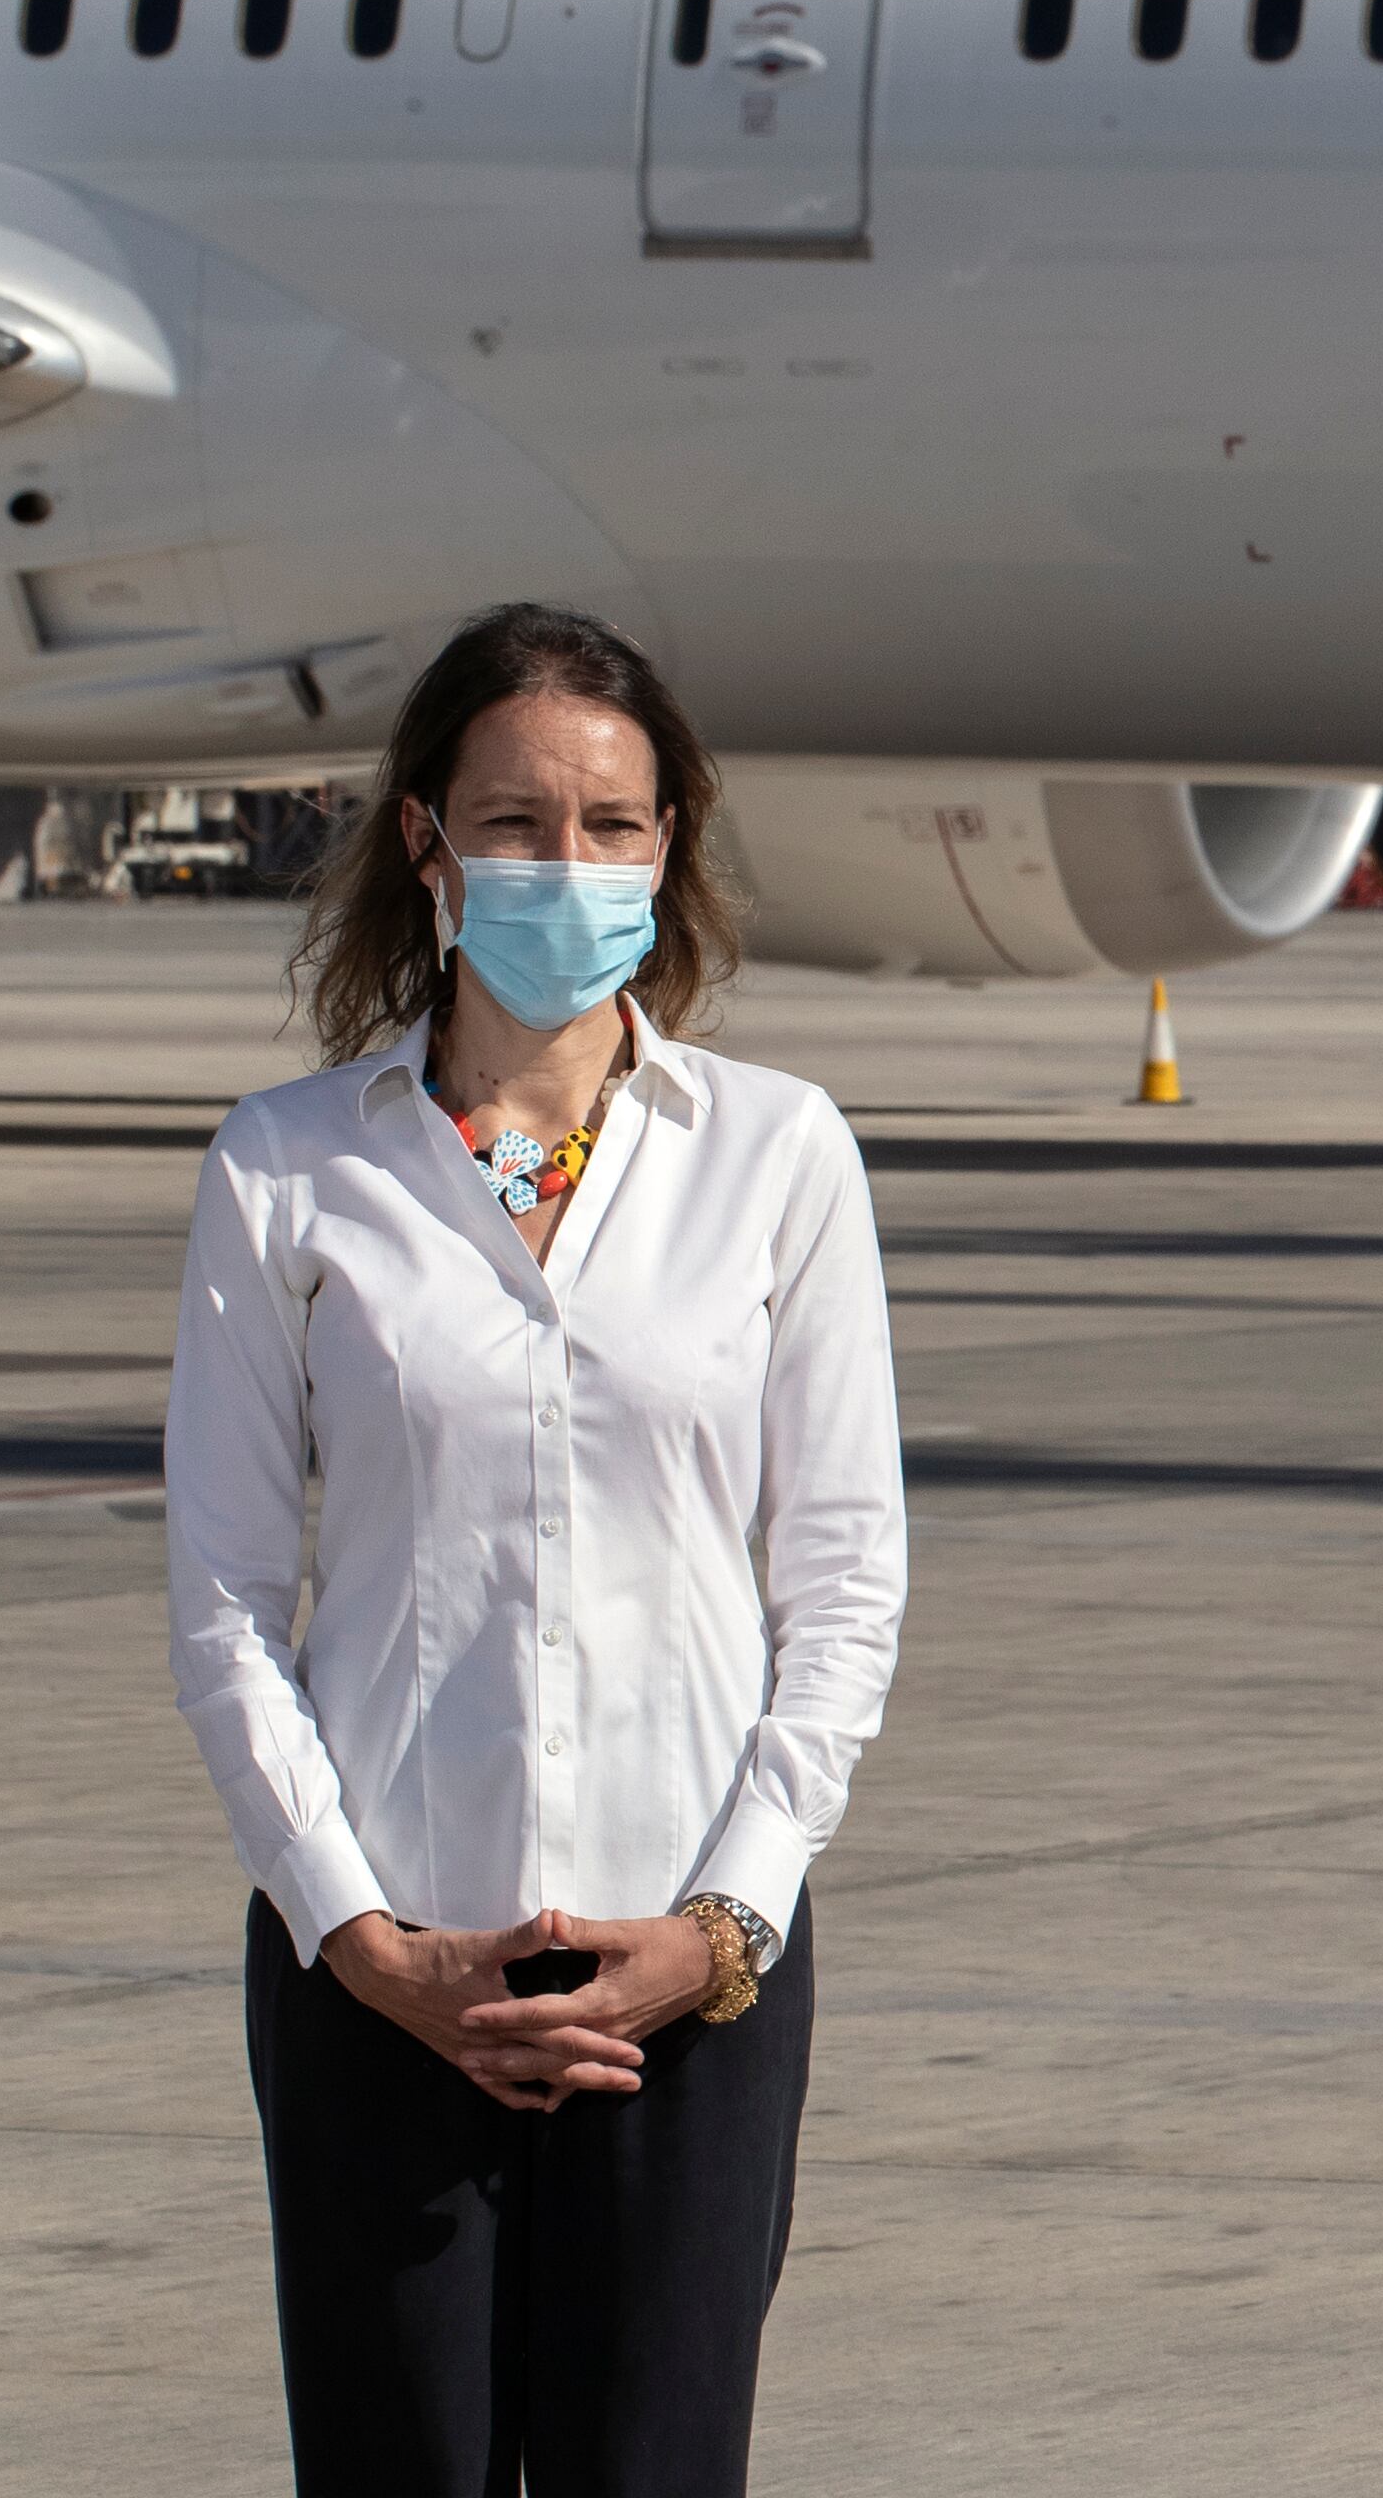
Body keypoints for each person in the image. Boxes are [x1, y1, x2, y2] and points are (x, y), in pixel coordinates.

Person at [165, 603, 909, 2498]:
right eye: (513, 822)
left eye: (612, 825)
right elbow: (229, 1604)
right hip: (388, 1972)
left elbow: (841, 1592)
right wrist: (363, 1938)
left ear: (673, 849)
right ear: (425, 843)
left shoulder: (779, 1153)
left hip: (693, 1978)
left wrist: (724, 1924)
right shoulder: (287, 1166)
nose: (563, 866)